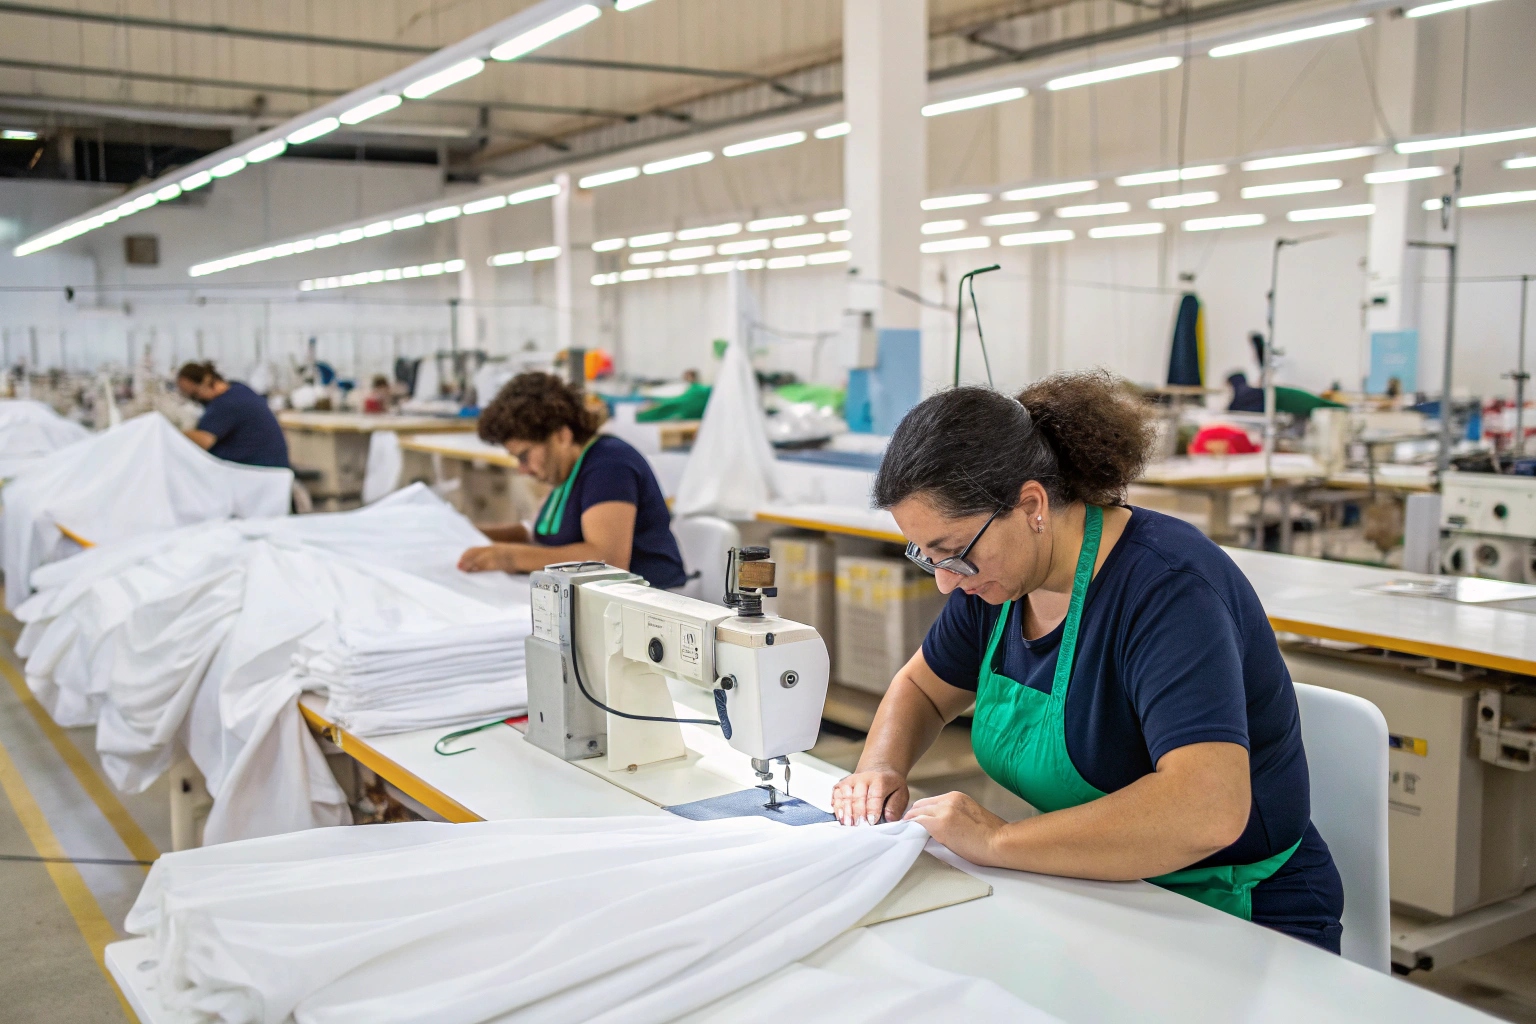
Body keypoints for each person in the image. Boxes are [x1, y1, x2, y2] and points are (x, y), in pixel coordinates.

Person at [830, 370, 1344, 953]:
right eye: (928, 558)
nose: (947, 582)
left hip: (1237, 914)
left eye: (954, 553)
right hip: (1104, 889)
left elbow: (1208, 810)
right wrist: (879, 768)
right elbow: (921, 690)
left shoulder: (1167, 591)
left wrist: (1000, 842)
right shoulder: (998, 584)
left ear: (1031, 505)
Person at [457, 371, 687, 589]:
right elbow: (539, 535)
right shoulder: (567, 473)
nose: (523, 470)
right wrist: (465, 531)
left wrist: (509, 557)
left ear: (561, 436)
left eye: (525, 456)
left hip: (653, 605)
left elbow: (609, 561)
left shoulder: (610, 465)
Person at [175, 361, 290, 468]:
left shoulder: (225, 403)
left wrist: (174, 432)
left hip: (255, 471)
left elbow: (204, 440)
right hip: (273, 466)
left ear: (206, 382)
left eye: (195, 395)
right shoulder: (239, 389)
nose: (197, 401)